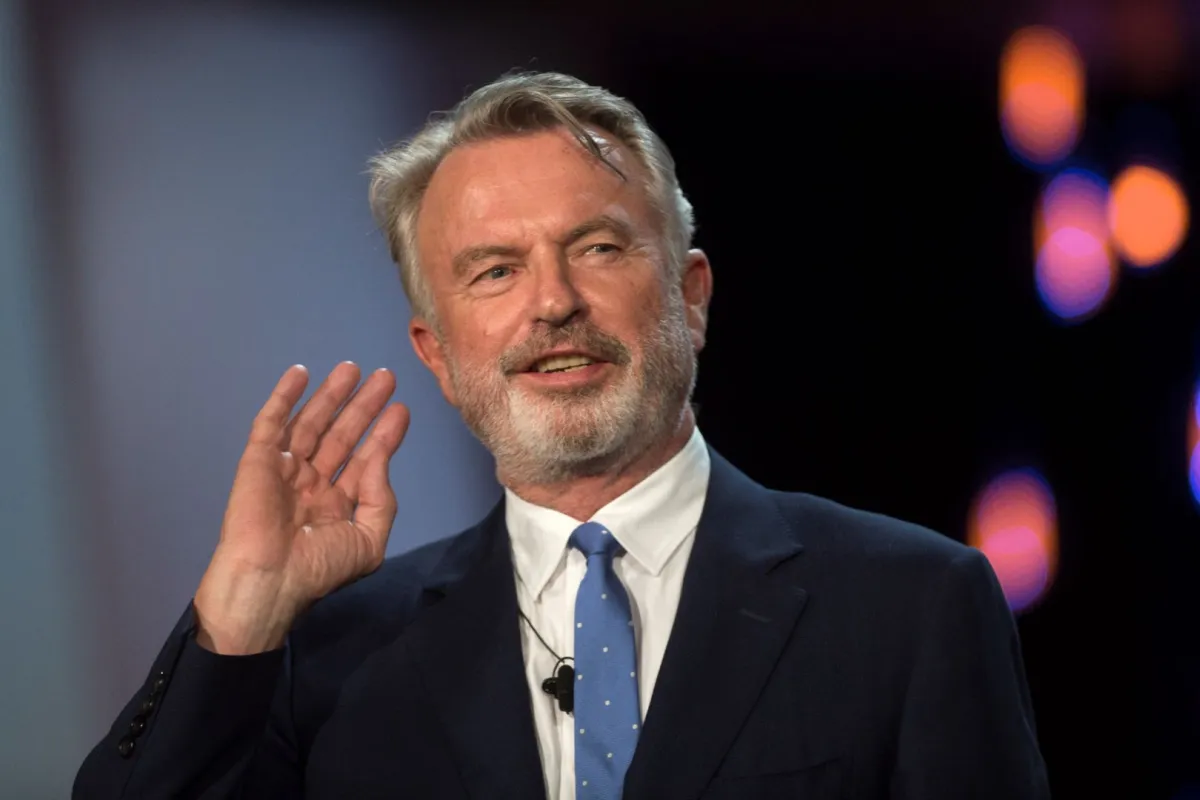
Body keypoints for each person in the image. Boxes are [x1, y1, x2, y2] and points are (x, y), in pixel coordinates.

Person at [73, 71, 1050, 800]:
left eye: (596, 248)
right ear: (439, 352)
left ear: (692, 296)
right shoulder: (333, 653)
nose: (552, 301)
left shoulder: (913, 605)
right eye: (494, 270)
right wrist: (238, 615)